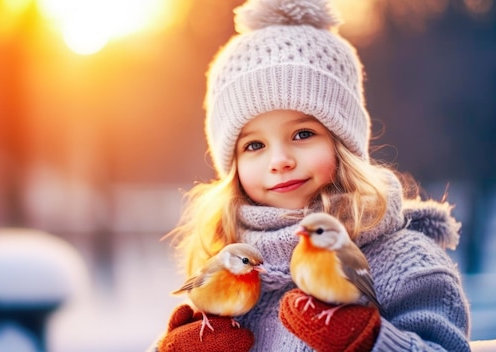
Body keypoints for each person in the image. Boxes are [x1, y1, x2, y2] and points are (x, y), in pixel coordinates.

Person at [154, 0, 471, 351]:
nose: (280, 160)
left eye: (303, 134)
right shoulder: (227, 262)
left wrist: (369, 341)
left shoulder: (405, 262)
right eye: (254, 145)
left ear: (343, 144)